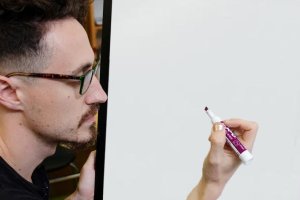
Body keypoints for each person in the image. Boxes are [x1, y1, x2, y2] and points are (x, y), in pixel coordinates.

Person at [0, 1, 258, 199]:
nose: (100, 95)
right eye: (79, 77)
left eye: (93, 71)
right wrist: (211, 185)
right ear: (9, 93)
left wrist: (81, 196)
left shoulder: (23, 168)